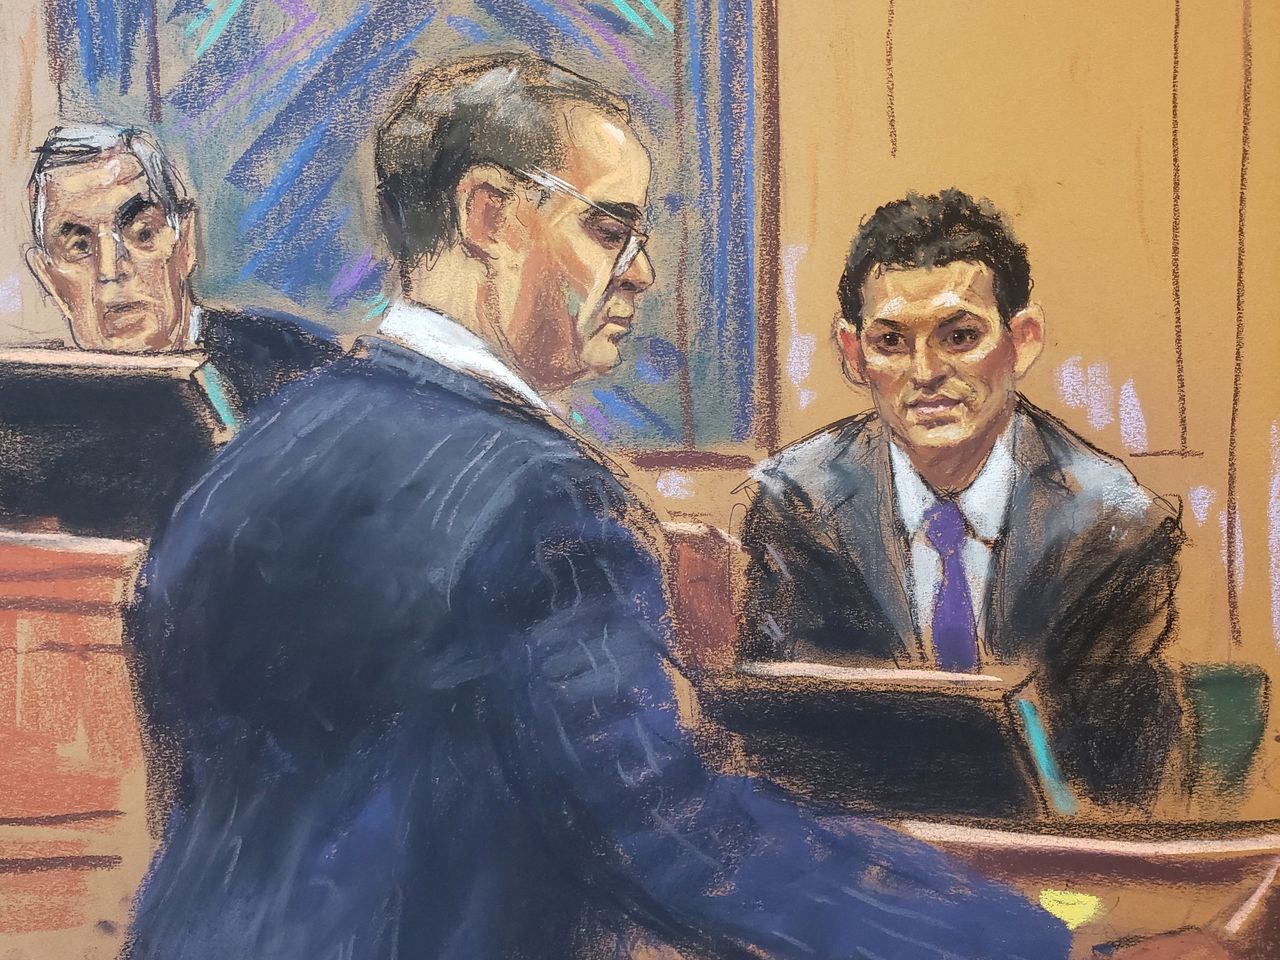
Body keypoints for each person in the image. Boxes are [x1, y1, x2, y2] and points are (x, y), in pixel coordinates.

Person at [122, 57, 1073, 959]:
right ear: (490, 216)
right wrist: (1015, 934)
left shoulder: (247, 461)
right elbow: (669, 836)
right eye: (610, 229)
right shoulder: (542, 498)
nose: (643, 270)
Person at [738, 189, 1183, 809]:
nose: (926, 373)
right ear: (853, 353)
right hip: (859, 840)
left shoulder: (1114, 527)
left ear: (1022, 339)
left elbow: (1118, 786)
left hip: (1047, 846)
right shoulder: (797, 505)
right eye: (891, 341)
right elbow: (783, 750)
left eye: (960, 336)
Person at [24, 123, 340, 420]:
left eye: (143, 233)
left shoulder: (304, 373)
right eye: (80, 246)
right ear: (51, 281)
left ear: (185, 243)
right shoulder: (34, 413)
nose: (111, 270)